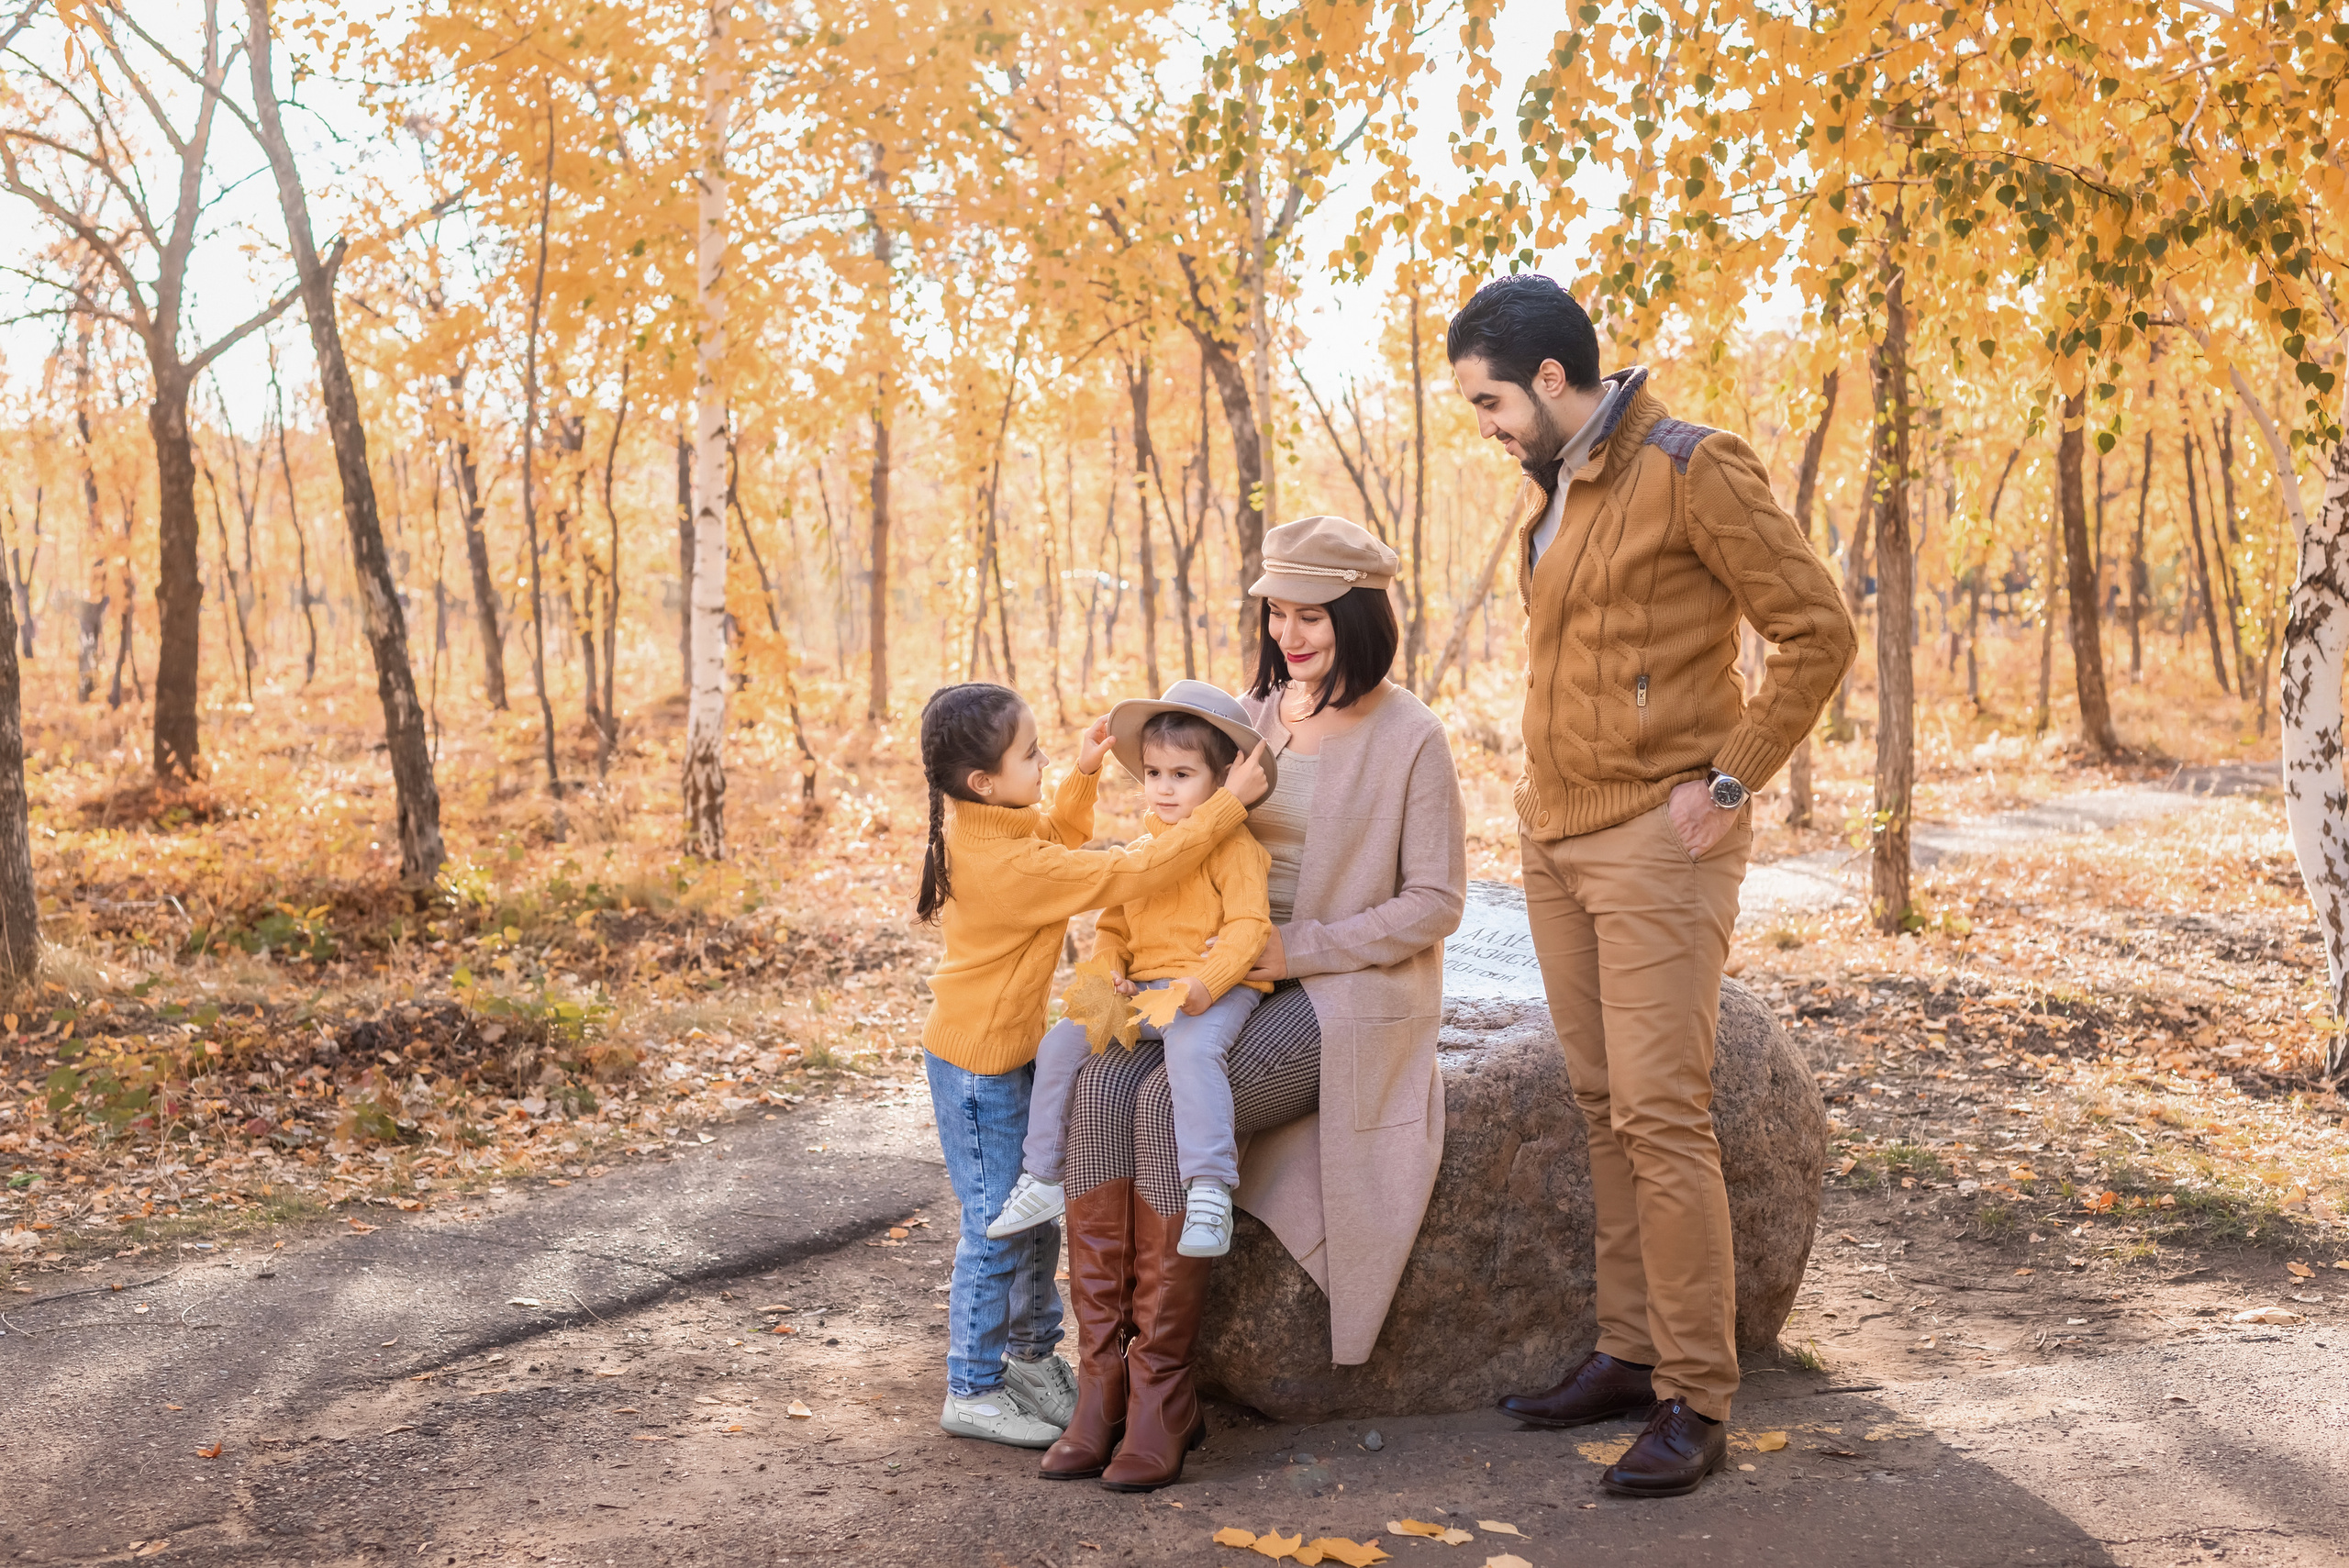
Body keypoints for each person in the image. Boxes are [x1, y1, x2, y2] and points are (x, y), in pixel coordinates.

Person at [1446, 273, 1857, 1497]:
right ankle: (1628, 1352)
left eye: (1490, 400)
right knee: (1599, 1100)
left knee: (1664, 1113)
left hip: (1658, 836)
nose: (1486, 424)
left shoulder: (1692, 467)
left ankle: (1695, 1393)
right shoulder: (1559, 490)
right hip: (1555, 834)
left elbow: (1816, 630)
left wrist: (1729, 779)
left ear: (1555, 381)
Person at [1043, 517, 1468, 1493]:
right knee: (1103, 1084)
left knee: (1159, 1106)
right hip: (1205, 972)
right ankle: (1100, 1376)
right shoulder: (1250, 715)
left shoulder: (1412, 736)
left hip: (1338, 992)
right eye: (1276, 612)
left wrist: (1298, 945)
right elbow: (1176, 844)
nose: (1290, 633)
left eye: (1310, 615)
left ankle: (1163, 1390)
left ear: (1358, 616)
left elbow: (1435, 901)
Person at [912, 682, 1269, 1450]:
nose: (1043, 760)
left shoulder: (994, 823)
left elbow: (1055, 837)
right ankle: (971, 1387)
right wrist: (1226, 805)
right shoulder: (1005, 864)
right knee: (992, 1226)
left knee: (1035, 1217)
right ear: (984, 780)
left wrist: (1078, 775)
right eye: (1032, 753)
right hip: (975, 1066)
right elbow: (1121, 877)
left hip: (1007, 1051)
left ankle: (1033, 1358)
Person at [989, 683, 1275, 1261]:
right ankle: (1043, 1176)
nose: (1163, 789)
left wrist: (1206, 984)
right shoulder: (1145, 849)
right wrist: (1106, 975)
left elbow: (1249, 928)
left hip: (1207, 988)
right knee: (1061, 1041)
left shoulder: (1236, 849)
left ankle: (1209, 1190)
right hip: (1142, 992)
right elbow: (1114, 929)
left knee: (1193, 1055)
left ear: (1220, 781)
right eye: (1154, 773)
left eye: (1182, 775)